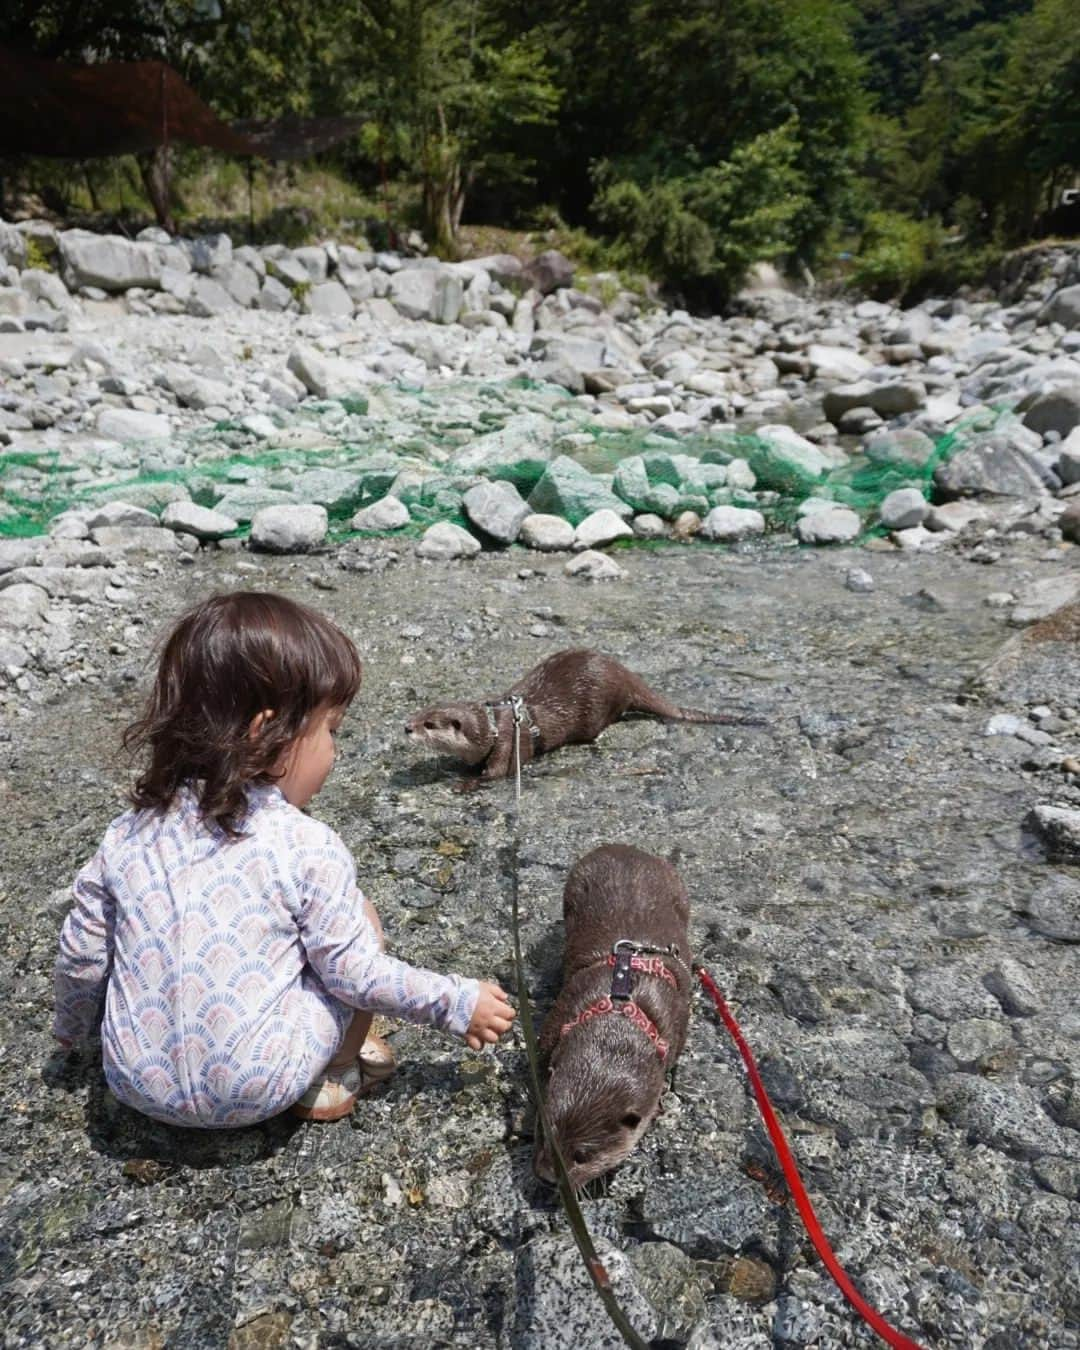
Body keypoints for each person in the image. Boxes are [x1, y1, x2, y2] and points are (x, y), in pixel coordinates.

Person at [51, 591, 516, 1126]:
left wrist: (73, 1035)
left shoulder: (126, 834)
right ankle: (335, 1071)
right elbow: (354, 975)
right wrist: (457, 1002)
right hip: (261, 1086)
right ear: (265, 733)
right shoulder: (306, 845)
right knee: (359, 921)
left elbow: (82, 959)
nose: (334, 752)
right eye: (330, 731)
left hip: (134, 1082)